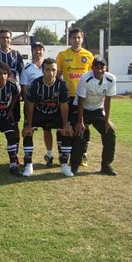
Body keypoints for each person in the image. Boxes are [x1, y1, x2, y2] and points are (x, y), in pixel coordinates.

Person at [22, 58, 74, 177]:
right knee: (28, 132)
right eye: (47, 70)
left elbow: (64, 106)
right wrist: (29, 125)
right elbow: (29, 105)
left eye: (53, 70)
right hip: (38, 112)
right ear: (42, 70)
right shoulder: (35, 84)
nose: (50, 73)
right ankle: (28, 165)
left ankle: (64, 166)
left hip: (55, 113)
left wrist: (65, 124)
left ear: (56, 71)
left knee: (66, 132)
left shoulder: (61, 85)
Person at [71, 56, 117, 175]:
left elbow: (107, 100)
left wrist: (107, 120)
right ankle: (75, 165)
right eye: (96, 67)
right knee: (79, 133)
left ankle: (106, 165)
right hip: (82, 108)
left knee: (109, 132)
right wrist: (80, 122)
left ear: (105, 68)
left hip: (97, 109)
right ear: (92, 68)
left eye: (102, 67)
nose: (99, 69)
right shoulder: (85, 78)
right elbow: (81, 100)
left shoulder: (111, 79)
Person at [0, 29, 24, 167]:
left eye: (7, 37)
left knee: (14, 125)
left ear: (10, 39)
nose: (5, 40)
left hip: (12, 96)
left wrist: (20, 92)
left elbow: (21, 74)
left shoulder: (17, 55)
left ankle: (15, 155)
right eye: (2, 37)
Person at [56, 27, 94, 166]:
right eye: (74, 37)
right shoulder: (62, 55)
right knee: (63, 125)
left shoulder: (89, 55)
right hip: (67, 97)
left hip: (83, 97)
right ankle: (62, 154)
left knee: (85, 125)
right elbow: (57, 76)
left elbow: (92, 77)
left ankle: (83, 153)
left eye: (79, 37)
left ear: (82, 39)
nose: (76, 40)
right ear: (69, 39)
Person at [19, 41, 55, 167]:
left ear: (44, 51)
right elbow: (24, 89)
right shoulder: (27, 68)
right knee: (29, 130)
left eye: (40, 49)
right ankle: (28, 158)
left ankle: (49, 155)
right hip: (32, 106)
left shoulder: (50, 67)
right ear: (32, 51)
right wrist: (28, 103)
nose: (38, 52)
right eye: (35, 49)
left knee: (47, 130)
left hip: (47, 106)